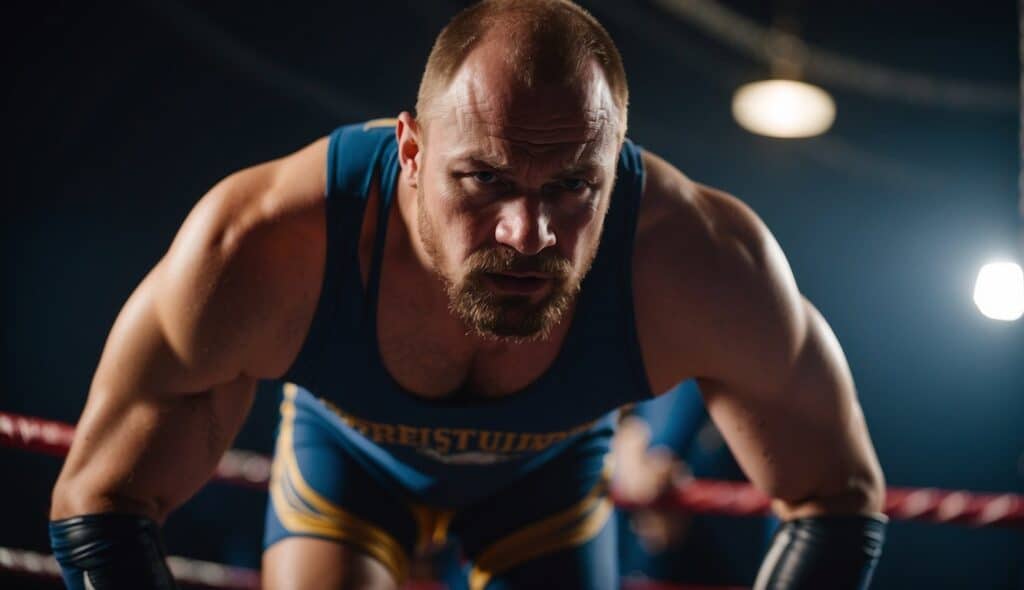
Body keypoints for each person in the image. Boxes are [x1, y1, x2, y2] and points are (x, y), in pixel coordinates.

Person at [48, 1, 887, 589]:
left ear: (617, 163)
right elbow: (100, 501)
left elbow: (837, 498)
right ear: (410, 151)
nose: (528, 234)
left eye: (570, 187)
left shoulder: (701, 260)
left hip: (550, 482)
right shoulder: (265, 244)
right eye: (484, 179)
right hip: (348, 467)